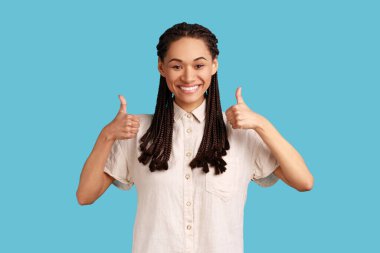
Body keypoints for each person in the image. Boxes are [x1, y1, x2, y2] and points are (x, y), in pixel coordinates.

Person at [76, 22, 314, 253]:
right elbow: (85, 196)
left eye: (199, 65)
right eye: (177, 66)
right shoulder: (135, 131)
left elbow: (304, 181)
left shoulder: (241, 131)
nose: (188, 77)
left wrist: (262, 125)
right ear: (161, 67)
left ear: (214, 65)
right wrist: (106, 135)